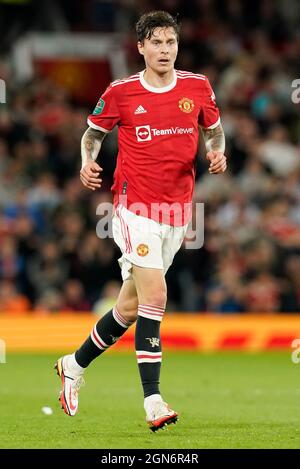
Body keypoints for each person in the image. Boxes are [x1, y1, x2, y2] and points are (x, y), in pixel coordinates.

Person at [55, 10, 227, 432]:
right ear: (141, 47)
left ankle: (72, 365)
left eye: (171, 42)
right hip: (133, 209)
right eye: (157, 43)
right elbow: (93, 133)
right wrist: (87, 161)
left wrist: (217, 152)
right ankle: (153, 401)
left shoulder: (197, 86)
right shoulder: (121, 92)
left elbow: (215, 130)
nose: (165, 50)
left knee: (130, 307)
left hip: (177, 212)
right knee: (157, 295)